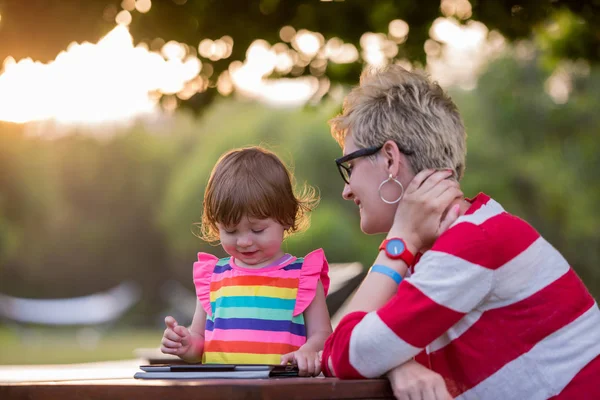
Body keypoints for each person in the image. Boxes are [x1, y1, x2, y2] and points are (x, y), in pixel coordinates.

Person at [320, 65, 600, 399]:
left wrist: (400, 241)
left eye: (350, 167)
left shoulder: (473, 243)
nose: (347, 190)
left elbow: (339, 353)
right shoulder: (443, 246)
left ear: (390, 160)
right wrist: (398, 362)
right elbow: (348, 342)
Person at [161, 146, 332, 377]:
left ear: (287, 217)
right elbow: (200, 340)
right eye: (230, 231)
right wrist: (186, 345)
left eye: (257, 229)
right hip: (221, 392)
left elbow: (323, 336)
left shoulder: (302, 276)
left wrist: (310, 350)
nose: (243, 241)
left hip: (283, 391)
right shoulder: (213, 277)